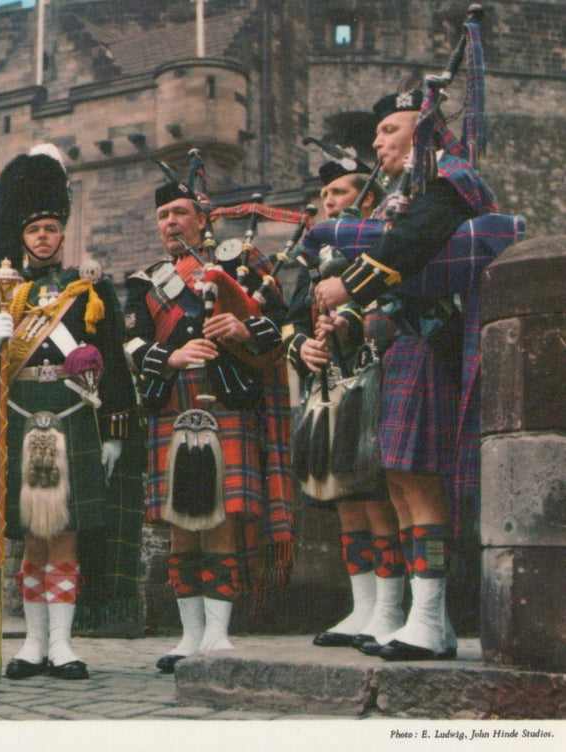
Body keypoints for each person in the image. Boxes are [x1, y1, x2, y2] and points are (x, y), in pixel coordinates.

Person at [313, 87, 497, 661]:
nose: (378, 143)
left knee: (419, 478)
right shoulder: (415, 188)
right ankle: (428, 623)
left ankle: (429, 620)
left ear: (419, 129)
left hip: (432, 342)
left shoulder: (450, 180)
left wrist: (349, 287)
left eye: (388, 131)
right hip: (404, 343)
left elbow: (411, 246)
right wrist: (347, 316)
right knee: (399, 480)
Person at [0, 146, 143, 680]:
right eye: (34, 228)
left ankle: (62, 644)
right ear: (21, 236)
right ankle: (31, 643)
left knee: (64, 533)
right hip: (21, 415)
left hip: (72, 416)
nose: (43, 236)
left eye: (50, 228)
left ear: (63, 233)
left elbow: (114, 366)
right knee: (29, 535)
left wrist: (114, 431)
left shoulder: (90, 289)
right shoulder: (5, 292)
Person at [123, 182, 294, 673]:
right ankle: (188, 635)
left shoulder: (241, 263)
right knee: (180, 523)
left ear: (203, 218)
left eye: (179, 213)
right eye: (162, 216)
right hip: (169, 405)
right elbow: (130, 345)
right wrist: (171, 356)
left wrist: (243, 328)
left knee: (220, 516)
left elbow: (282, 323)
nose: (170, 223)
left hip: (227, 398)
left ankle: (218, 633)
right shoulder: (146, 281)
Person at [282, 158, 405, 650]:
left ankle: (392, 611)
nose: (327, 202)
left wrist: (353, 324)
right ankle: (363, 608)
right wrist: (301, 347)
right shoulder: (315, 257)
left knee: (376, 498)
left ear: (367, 198)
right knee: (345, 500)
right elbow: (292, 318)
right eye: (324, 195)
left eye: (337, 193)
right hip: (329, 382)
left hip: (373, 376)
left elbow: (393, 305)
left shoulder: (383, 241)